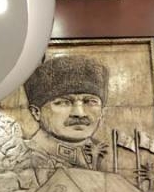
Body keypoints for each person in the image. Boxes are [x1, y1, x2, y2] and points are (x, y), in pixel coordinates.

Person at [20, 55, 111, 184]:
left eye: (90, 101)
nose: (79, 114)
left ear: (102, 111)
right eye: (63, 102)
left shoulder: (106, 157)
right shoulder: (18, 159)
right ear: (36, 112)